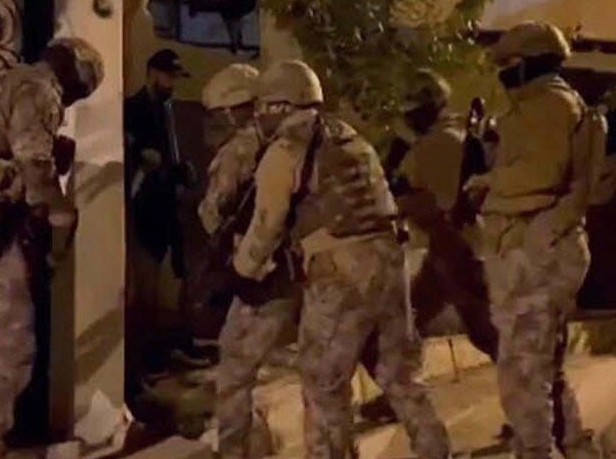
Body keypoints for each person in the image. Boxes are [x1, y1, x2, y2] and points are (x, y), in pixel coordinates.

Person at [233, 60, 449, 459]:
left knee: (323, 385)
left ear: (280, 105)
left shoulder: (286, 149)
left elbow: (266, 224)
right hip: (390, 262)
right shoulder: (349, 138)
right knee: (399, 376)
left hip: (340, 272)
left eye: (263, 105)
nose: (260, 115)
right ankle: (435, 451)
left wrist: (242, 270)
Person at [0, 37, 103, 459]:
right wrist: (62, 216)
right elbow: (34, 167)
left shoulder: (2, 82)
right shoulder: (39, 88)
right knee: (9, 341)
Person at [464, 21, 599, 459]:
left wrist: (487, 181)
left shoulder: (549, 104)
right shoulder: (546, 105)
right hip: (542, 246)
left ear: (529, 64)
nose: (504, 72)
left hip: (535, 248)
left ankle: (538, 451)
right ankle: (573, 444)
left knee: (522, 374)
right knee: (542, 365)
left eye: (509, 64)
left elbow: (541, 173)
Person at [358, 70, 499, 418]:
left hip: (456, 249)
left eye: (414, 107)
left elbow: (435, 202)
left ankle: (539, 403)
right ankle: (399, 396)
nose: (408, 115)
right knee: (406, 328)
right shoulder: (441, 139)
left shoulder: (439, 144)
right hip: (449, 250)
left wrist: (397, 195)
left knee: (489, 335)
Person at [196, 63, 298, 459]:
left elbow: (213, 212)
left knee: (235, 370)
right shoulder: (293, 140)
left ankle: (236, 450)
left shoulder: (239, 149)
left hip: (260, 271)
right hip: (302, 268)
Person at [124, 48, 206, 397]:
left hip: (168, 211)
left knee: (172, 285)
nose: (172, 84)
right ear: (152, 73)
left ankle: (169, 350)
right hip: (144, 213)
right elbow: (134, 160)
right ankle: (143, 364)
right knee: (145, 293)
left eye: (175, 78)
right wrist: (144, 160)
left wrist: (180, 172)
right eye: (168, 76)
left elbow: (166, 159)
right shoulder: (134, 109)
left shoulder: (168, 110)